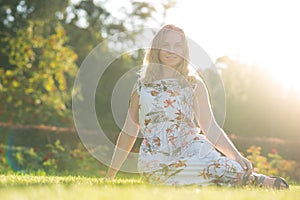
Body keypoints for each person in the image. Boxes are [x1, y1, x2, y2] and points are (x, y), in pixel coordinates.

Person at [105, 24, 289, 189]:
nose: (171, 51)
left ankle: (256, 181)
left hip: (193, 149)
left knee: (225, 166)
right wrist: (110, 175)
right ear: (156, 49)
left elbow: (209, 126)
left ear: (184, 51)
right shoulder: (142, 85)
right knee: (201, 172)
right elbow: (129, 131)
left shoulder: (194, 84)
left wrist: (236, 156)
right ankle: (249, 181)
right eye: (166, 45)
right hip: (157, 161)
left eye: (177, 46)